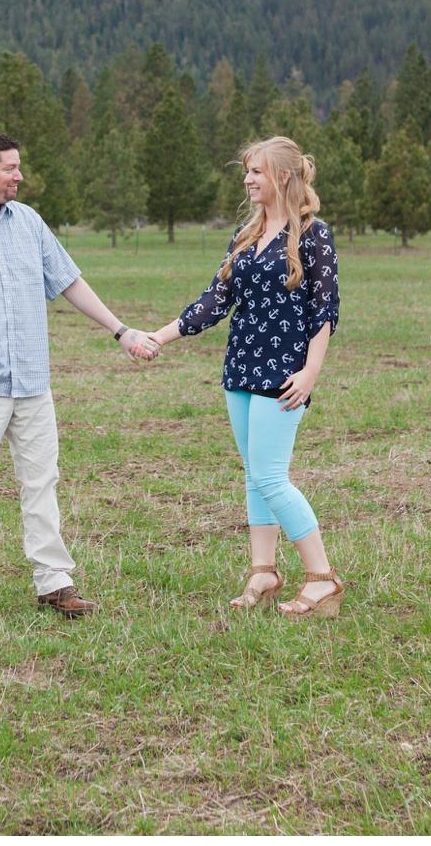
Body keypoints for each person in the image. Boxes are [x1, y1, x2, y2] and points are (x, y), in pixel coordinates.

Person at [0, 129, 154, 622]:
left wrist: (120, 330)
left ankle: (54, 583)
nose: (19, 176)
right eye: (10, 168)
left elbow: (69, 282)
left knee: (42, 481)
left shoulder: (29, 223)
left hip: (33, 380)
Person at [138, 136, 344, 617]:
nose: (248, 180)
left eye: (257, 171)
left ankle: (322, 580)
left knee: (272, 476)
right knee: (255, 475)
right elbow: (215, 302)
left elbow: (324, 311)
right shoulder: (246, 236)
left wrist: (311, 371)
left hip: (284, 374)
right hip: (240, 370)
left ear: (285, 176)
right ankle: (263, 571)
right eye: (247, 171)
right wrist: (159, 336)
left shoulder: (314, 235)